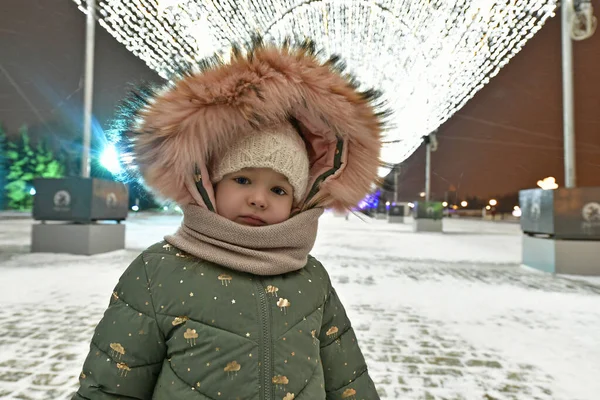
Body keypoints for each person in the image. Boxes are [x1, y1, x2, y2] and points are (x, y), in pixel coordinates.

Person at [73, 38, 385, 400]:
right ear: (209, 184)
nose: (258, 198)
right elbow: (112, 384)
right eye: (242, 179)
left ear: (299, 202)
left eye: (279, 190)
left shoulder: (310, 277)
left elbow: (347, 378)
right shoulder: (157, 273)